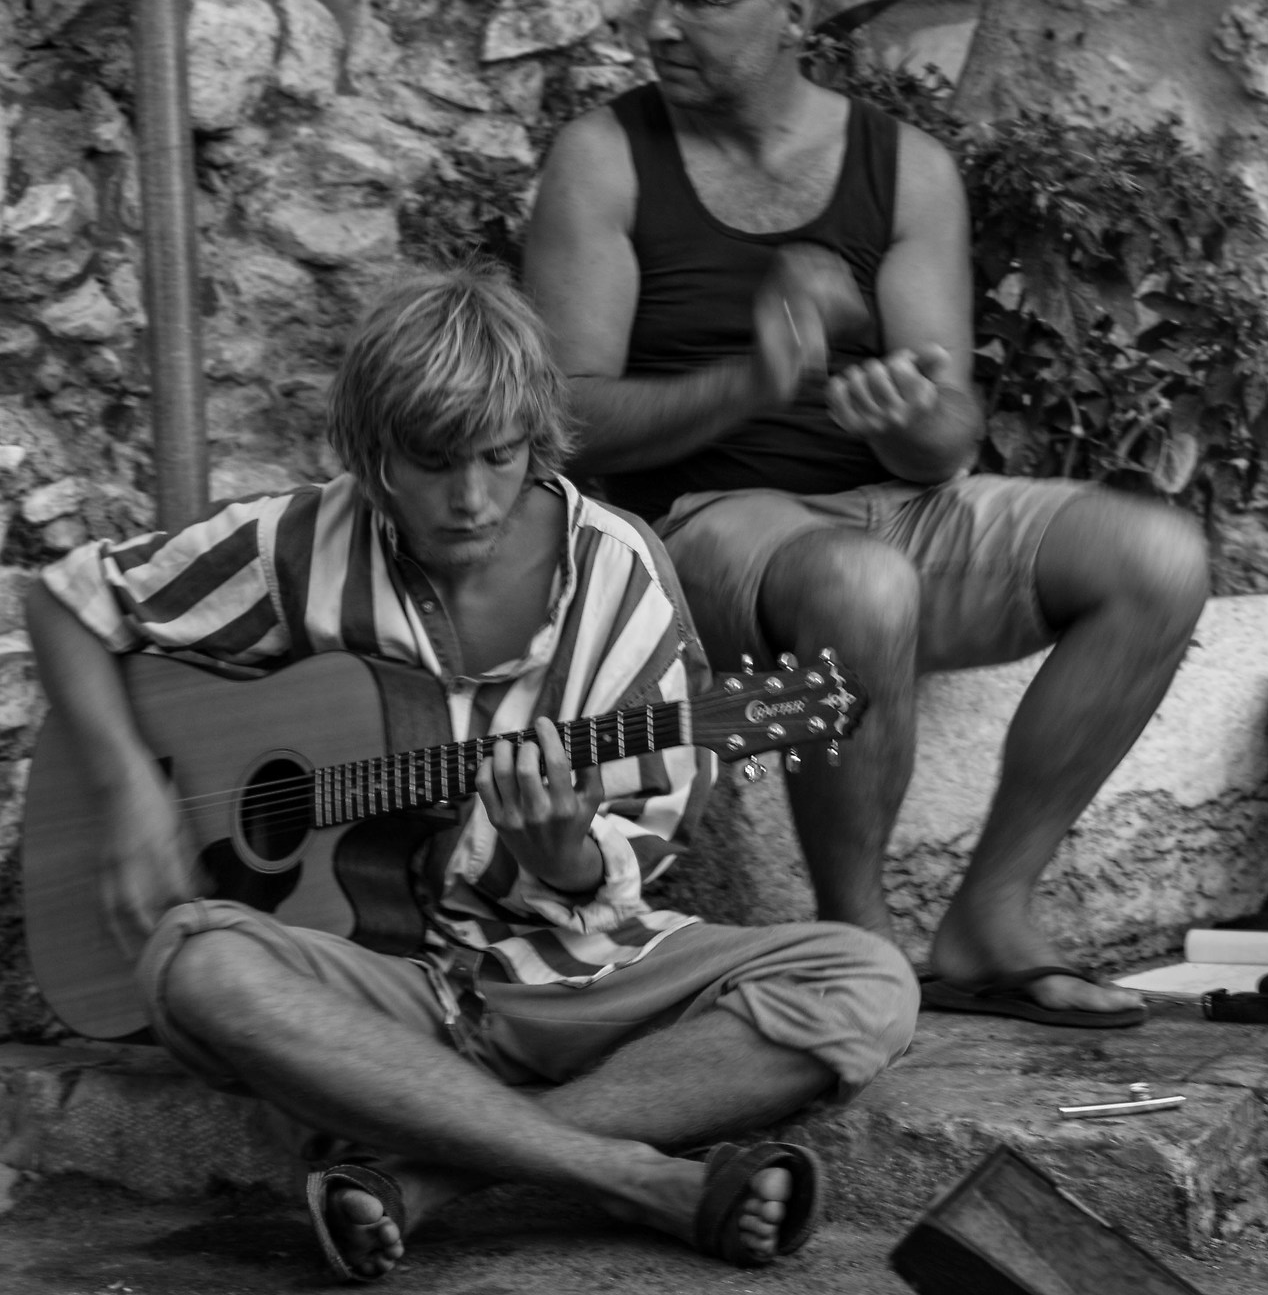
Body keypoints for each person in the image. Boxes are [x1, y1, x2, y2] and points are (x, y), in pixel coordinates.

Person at [27, 267, 916, 1282]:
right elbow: (70, 598)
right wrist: (129, 785)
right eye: (434, 463)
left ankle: (427, 1173)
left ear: (536, 441)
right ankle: (629, 1173)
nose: (472, 498)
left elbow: (633, 849)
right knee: (192, 963)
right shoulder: (299, 543)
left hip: (580, 982)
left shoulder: (619, 573)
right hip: (378, 989)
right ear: (370, 454)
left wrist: (568, 858)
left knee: (867, 981)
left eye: (500, 458)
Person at [521, 0, 1210, 1030]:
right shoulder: (604, 162)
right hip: (704, 530)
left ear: (794, 10)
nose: (658, 25)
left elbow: (946, 443)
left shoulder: (906, 171)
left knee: (1159, 557)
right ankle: (858, 944)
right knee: (860, 582)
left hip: (889, 514)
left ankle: (992, 914)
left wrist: (913, 416)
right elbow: (566, 423)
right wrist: (752, 385)